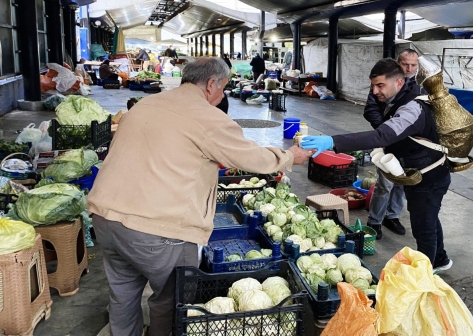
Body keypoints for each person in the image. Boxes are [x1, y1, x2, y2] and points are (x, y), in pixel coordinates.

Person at [87, 57, 313, 336]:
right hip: (156, 230)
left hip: (105, 218)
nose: (222, 96)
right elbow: (252, 157)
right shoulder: (206, 116)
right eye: (224, 88)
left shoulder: (147, 104)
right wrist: (291, 156)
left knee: (123, 294)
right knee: (171, 299)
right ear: (210, 84)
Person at [301, 58, 452, 270]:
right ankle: (441, 259)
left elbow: (382, 135)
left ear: (399, 83)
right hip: (419, 169)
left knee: (423, 226)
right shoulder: (397, 98)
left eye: (380, 85)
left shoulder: (412, 108)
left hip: (429, 175)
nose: (375, 91)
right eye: (373, 85)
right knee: (428, 217)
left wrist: (334, 141)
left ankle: (426, 274)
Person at [362, 49, 423, 241]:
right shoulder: (383, 84)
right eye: (406, 64)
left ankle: (392, 216)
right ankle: (374, 221)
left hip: (408, 144)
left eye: (413, 65)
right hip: (388, 141)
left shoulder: (418, 87)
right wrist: (386, 131)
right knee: (385, 183)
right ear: (398, 64)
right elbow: (370, 108)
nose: (410, 68)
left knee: (402, 182)